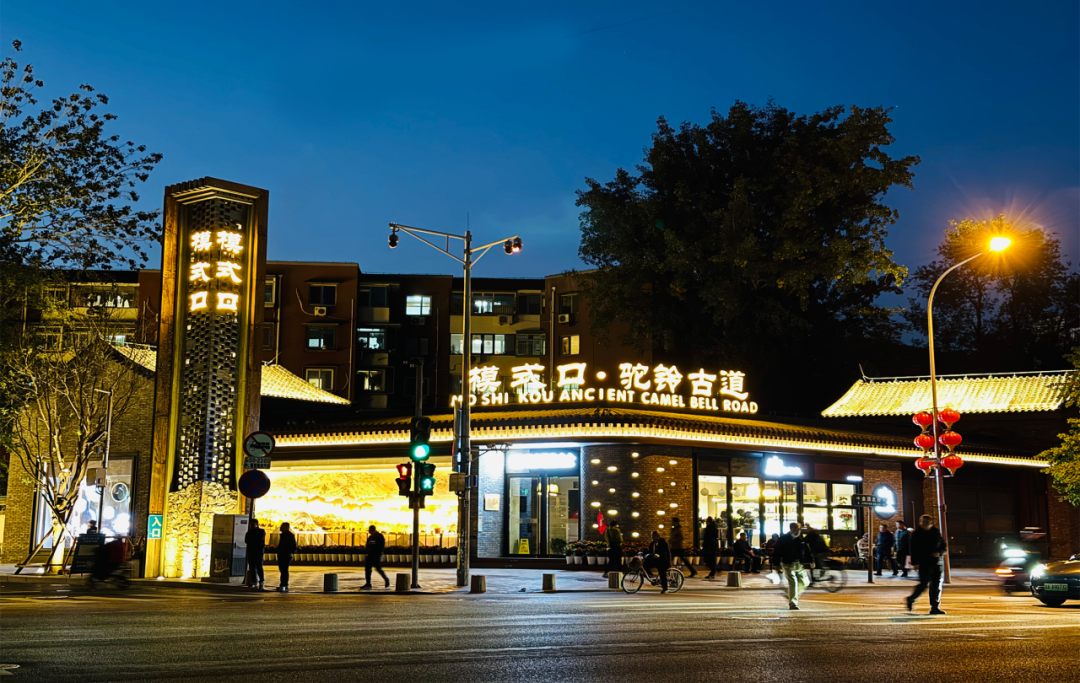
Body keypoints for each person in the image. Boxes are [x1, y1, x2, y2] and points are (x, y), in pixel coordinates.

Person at [906, 515, 947, 615]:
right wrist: (915, 563)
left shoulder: (936, 532)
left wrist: (940, 552)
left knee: (936, 585)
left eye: (927, 522)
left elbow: (943, 545)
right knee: (924, 584)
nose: (925, 524)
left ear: (931, 523)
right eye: (923, 522)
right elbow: (913, 549)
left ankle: (935, 607)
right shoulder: (917, 534)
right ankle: (911, 598)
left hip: (937, 562)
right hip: (924, 562)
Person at [773, 522, 815, 610]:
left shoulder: (800, 539)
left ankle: (791, 594)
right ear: (791, 529)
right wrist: (776, 564)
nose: (798, 531)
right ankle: (793, 603)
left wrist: (811, 560)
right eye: (796, 529)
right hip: (788, 563)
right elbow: (777, 551)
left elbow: (807, 550)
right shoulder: (783, 539)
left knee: (805, 582)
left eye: (799, 529)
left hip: (798, 564)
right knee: (793, 582)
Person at [361, 524, 389, 589]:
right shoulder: (371, 537)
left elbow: (381, 547)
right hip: (370, 555)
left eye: (369, 530)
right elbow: (367, 545)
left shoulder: (379, 536)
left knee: (378, 568)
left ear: (372, 530)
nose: (369, 531)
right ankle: (368, 583)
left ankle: (386, 579)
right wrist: (367, 551)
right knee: (367, 569)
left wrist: (378, 554)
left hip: (376, 555)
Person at [245, 519, 266, 590]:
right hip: (251, 551)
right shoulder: (249, 532)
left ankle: (261, 581)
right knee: (252, 567)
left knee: (259, 567)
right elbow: (246, 540)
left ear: (256, 524)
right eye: (250, 524)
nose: (251, 525)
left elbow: (259, 539)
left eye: (252, 524)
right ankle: (254, 581)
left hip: (258, 551)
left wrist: (252, 540)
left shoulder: (261, 531)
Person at [276, 522, 296, 593]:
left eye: (282, 526)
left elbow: (293, 545)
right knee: (282, 570)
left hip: (286, 554)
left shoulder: (289, 535)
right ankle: (283, 584)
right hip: (282, 554)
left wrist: (290, 553)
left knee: (284, 570)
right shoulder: (283, 535)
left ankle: (284, 585)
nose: (280, 527)